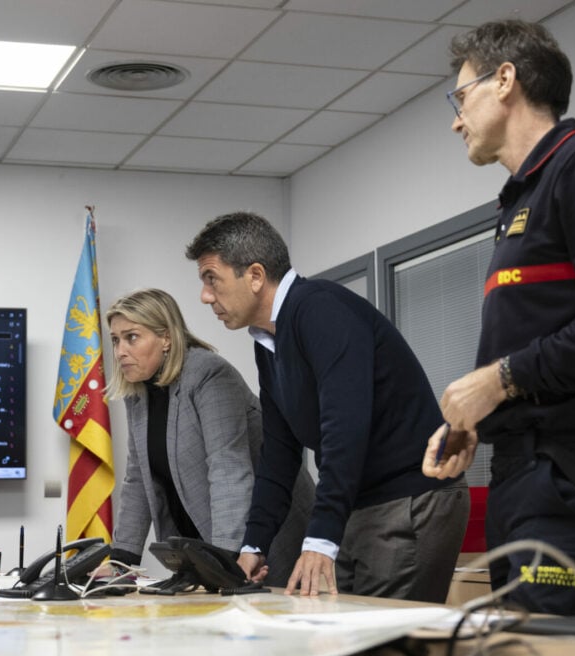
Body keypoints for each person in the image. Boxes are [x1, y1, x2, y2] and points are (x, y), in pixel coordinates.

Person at [421, 20, 575, 615]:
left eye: (461, 96)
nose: (456, 119)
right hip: (522, 474)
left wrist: (499, 379)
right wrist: (476, 418)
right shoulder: (520, 200)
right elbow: (540, 331)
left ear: (505, 80)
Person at [186, 213, 469, 602]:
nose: (205, 296)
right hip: (358, 504)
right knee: (338, 632)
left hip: (408, 500)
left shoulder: (320, 310)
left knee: (381, 648)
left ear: (254, 275)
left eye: (211, 279)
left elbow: (345, 430)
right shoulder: (268, 340)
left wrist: (320, 536)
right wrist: (253, 546)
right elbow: (279, 454)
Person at [104, 288, 312, 588]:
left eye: (131, 337)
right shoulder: (138, 394)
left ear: (166, 338)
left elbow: (228, 469)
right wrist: (121, 561)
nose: (120, 351)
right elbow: (138, 478)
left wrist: (227, 560)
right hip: (202, 545)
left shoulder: (207, 375)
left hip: (266, 536)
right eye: (115, 339)